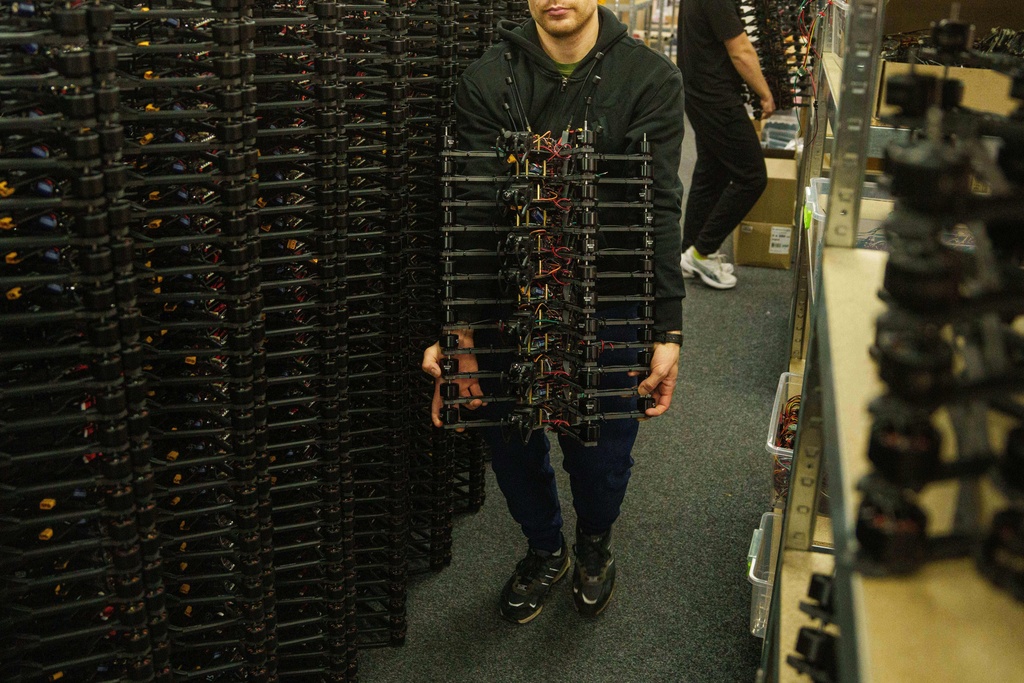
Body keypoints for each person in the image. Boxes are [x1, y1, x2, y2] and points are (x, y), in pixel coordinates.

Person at [421, 0, 686, 623]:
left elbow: (661, 206)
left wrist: (667, 327)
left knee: (602, 452)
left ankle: (595, 543)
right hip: (503, 299)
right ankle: (545, 549)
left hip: (611, 296)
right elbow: (471, 213)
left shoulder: (650, 78)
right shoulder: (485, 80)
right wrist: (457, 329)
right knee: (510, 442)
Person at [677, 0, 776, 290]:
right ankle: (702, 252)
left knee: (713, 171)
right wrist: (765, 94)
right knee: (752, 176)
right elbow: (741, 51)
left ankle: (688, 251)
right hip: (715, 96)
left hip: (699, 91)